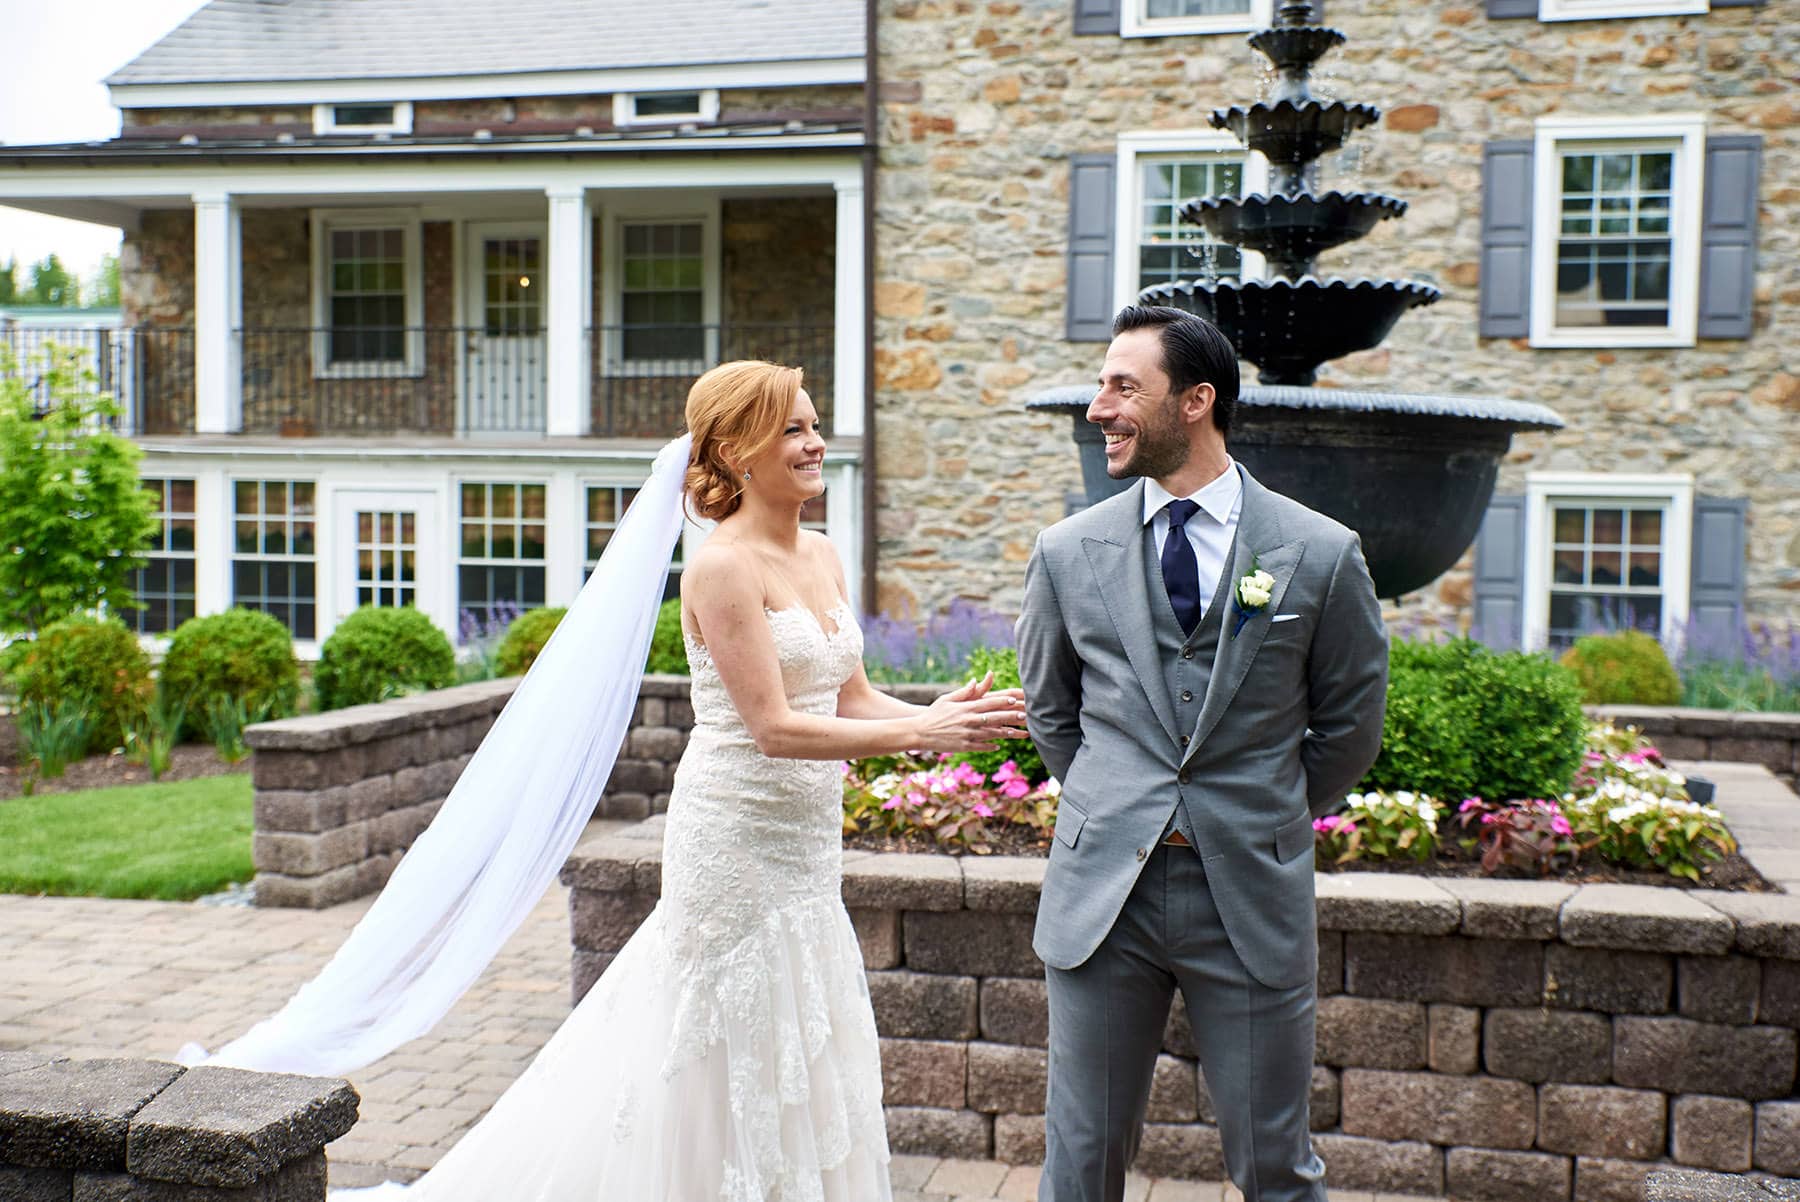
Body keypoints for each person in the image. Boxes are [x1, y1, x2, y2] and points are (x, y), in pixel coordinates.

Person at [322, 359, 1027, 1199]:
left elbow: (850, 694)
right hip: (735, 839)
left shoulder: (825, 553)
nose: (814, 442)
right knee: (719, 1034)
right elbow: (771, 727)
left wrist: (936, 712)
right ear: (736, 452)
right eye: (793, 428)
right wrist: (919, 732)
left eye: (812, 423)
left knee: (797, 1022)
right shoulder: (721, 567)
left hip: (804, 848)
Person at [1015, 306, 1389, 1202]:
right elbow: (1050, 710)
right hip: (1106, 898)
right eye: (1100, 384)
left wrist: (1261, 811)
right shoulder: (1068, 553)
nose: (1098, 406)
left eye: (1122, 386)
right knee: (1081, 1159)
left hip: (1249, 898)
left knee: (1275, 1166)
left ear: (1197, 401)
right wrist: (1120, 801)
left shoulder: (1322, 554)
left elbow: (1350, 727)